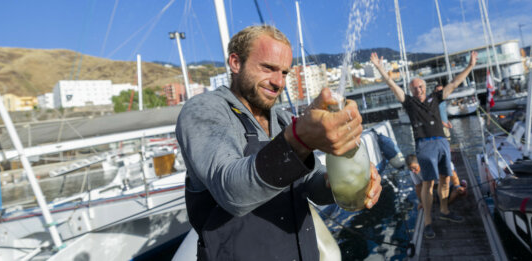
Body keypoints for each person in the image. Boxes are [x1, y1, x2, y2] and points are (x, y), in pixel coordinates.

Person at [177, 25, 382, 260]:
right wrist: (299, 140)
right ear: (235, 63)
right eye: (268, 68)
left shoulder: (283, 119)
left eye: (284, 72)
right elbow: (230, 191)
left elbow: (310, 184)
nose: (278, 82)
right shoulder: (204, 110)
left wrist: (350, 180)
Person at [370, 51, 477, 239]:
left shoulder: (436, 98)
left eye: (420, 86)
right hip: (425, 145)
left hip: (442, 142)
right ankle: (428, 221)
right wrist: (379, 67)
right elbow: (392, 84)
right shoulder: (409, 103)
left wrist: (469, 66)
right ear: (411, 91)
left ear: (425, 87)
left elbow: (454, 83)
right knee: (428, 184)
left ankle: (444, 210)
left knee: (445, 179)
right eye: (414, 88)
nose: (418, 89)